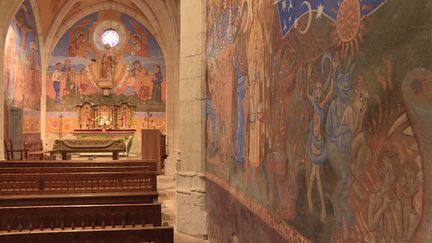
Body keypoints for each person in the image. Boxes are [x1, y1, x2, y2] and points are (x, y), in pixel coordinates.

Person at [306, 63, 334, 222]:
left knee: (313, 176)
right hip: (314, 143)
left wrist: (335, 69)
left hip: (319, 142)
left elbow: (331, 91)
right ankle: (322, 206)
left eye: (319, 89)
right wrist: (309, 75)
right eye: (316, 89)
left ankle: (310, 195)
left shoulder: (321, 105)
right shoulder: (314, 103)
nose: (317, 91)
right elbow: (306, 92)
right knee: (316, 176)